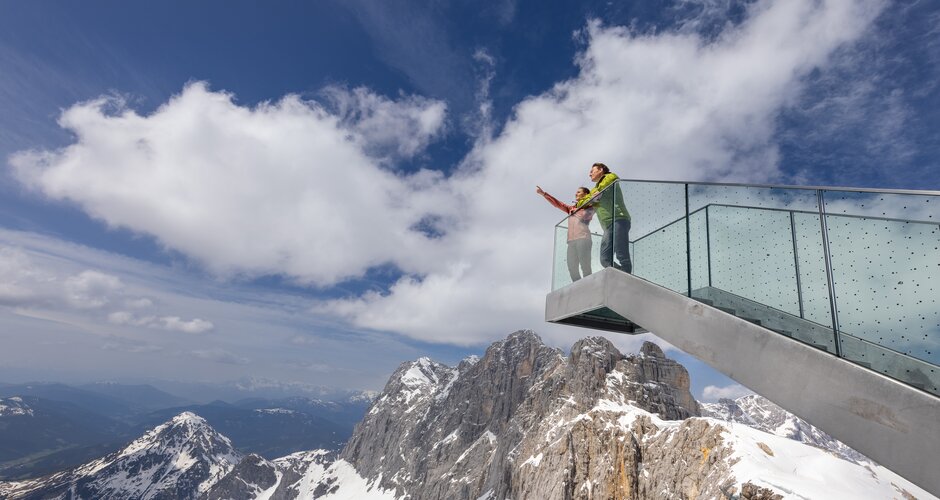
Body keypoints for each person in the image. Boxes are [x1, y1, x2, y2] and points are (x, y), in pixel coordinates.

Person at [536, 185, 595, 281]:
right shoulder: (571, 208)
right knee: (572, 267)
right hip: (571, 241)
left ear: (585, 194)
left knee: (585, 266)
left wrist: (578, 209)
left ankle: (589, 286)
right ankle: (579, 287)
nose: (576, 193)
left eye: (579, 192)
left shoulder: (590, 206)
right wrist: (544, 194)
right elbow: (558, 204)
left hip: (583, 238)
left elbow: (586, 217)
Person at [586, 162, 632, 273]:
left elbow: (610, 180)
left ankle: (627, 279)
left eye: (592, 171)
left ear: (601, 170)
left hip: (619, 219)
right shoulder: (593, 190)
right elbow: (586, 200)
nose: (589, 174)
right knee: (604, 259)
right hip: (607, 226)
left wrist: (597, 194)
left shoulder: (610, 177)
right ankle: (621, 274)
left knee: (621, 252)